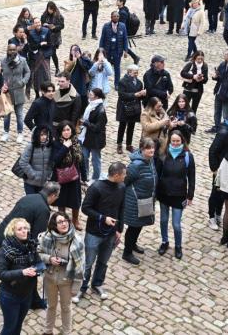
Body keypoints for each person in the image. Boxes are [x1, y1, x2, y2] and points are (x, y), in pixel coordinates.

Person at [74, 162, 126, 302]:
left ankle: (97, 284)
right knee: (88, 262)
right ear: (116, 175)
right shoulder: (96, 188)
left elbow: (121, 209)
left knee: (103, 261)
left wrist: (119, 230)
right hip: (94, 233)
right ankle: (81, 287)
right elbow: (86, 208)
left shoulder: (122, 187)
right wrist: (103, 218)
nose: (125, 177)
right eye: (123, 174)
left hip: (111, 233)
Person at [37, 211, 84, 335]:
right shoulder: (46, 237)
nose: (64, 224)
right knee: (51, 306)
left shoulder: (77, 241)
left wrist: (75, 288)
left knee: (66, 308)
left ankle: (66, 332)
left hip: (66, 281)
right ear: (54, 225)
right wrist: (49, 259)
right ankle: (48, 331)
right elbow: (38, 254)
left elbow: (80, 267)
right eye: (60, 222)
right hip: (50, 278)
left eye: (65, 221)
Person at [0, 218, 42, 335]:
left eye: (25, 228)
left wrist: (39, 269)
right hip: (10, 296)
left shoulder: (31, 244)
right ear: (13, 232)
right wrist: (22, 272)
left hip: (27, 294)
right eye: (19, 229)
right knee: (10, 328)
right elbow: (1, 274)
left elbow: (38, 262)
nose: (23, 231)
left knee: (18, 325)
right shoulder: (5, 251)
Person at [156, 131, 195, 259]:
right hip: (164, 193)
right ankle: (164, 241)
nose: (175, 143)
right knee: (163, 220)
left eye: (177, 141)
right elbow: (157, 174)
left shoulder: (188, 156)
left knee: (176, 224)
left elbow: (191, 177)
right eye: (173, 141)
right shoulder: (163, 155)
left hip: (179, 195)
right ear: (169, 141)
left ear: (182, 141)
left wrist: (190, 195)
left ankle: (178, 246)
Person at [0, 181, 61, 248]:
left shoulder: (28, 197)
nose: (56, 199)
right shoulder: (43, 210)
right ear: (53, 195)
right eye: (57, 196)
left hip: (3, 234)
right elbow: (38, 235)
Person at [122, 138, 157, 265]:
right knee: (133, 227)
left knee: (139, 225)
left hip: (146, 199)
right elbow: (124, 182)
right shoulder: (135, 166)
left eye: (153, 147)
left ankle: (133, 244)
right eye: (148, 148)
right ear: (142, 149)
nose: (152, 150)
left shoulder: (150, 160)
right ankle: (127, 252)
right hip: (135, 201)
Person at [52, 121, 84, 228]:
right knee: (62, 200)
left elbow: (82, 159)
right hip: (62, 176)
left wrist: (84, 175)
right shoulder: (56, 143)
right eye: (64, 130)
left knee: (76, 200)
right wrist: (65, 147)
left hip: (75, 176)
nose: (66, 132)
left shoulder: (77, 142)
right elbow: (55, 160)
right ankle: (63, 220)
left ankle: (75, 220)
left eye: (68, 129)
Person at [1, 44, 30, 144]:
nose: (12, 51)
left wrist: (23, 82)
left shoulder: (22, 60)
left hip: (18, 91)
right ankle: (5, 132)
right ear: (7, 50)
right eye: (10, 50)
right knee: (7, 115)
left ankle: (20, 133)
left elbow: (28, 72)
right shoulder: (2, 61)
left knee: (19, 114)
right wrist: (2, 84)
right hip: (7, 92)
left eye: (14, 49)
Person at [79, 88, 107, 183]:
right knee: (84, 157)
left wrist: (85, 123)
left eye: (91, 94)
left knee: (95, 160)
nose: (89, 95)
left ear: (96, 97)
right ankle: (85, 175)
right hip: (86, 136)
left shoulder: (101, 110)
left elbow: (98, 128)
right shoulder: (91, 104)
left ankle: (96, 178)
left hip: (96, 139)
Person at [17, 125, 54, 195]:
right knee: (31, 203)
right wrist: (33, 175)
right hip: (30, 183)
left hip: (43, 183)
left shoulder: (50, 147)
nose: (44, 137)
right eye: (41, 135)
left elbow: (51, 162)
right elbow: (23, 162)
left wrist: (48, 175)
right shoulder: (31, 146)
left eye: (45, 134)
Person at [116, 64, 144, 154]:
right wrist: (134, 95)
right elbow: (121, 95)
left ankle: (129, 144)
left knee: (131, 126)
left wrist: (142, 94)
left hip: (134, 107)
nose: (136, 74)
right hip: (125, 106)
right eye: (134, 73)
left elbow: (140, 96)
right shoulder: (123, 81)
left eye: (137, 73)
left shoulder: (139, 83)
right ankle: (119, 144)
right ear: (129, 72)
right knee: (122, 126)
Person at [98, 12, 127, 89]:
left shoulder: (122, 26)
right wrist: (100, 50)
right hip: (107, 51)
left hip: (118, 51)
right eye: (114, 16)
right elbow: (102, 38)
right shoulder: (106, 26)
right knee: (105, 67)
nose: (116, 17)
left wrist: (126, 50)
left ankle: (117, 84)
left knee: (117, 68)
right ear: (111, 17)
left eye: (117, 16)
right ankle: (103, 82)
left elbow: (125, 39)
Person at [28, 18, 53, 98]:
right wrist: (40, 44)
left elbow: (50, 43)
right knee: (36, 76)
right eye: (36, 23)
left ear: (41, 23)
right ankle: (37, 94)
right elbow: (32, 47)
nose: (38, 24)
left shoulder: (47, 31)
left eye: (39, 22)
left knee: (46, 75)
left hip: (45, 56)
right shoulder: (31, 34)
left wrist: (44, 44)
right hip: (36, 57)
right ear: (33, 24)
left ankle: (45, 92)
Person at [63, 44, 92, 108]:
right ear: (70, 52)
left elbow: (86, 68)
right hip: (72, 84)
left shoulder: (83, 60)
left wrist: (79, 58)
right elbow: (66, 72)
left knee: (82, 104)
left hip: (81, 85)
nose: (74, 51)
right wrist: (74, 61)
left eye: (76, 50)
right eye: (73, 50)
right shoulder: (68, 61)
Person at [40, 1, 65, 75]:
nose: (50, 11)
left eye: (51, 9)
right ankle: (46, 68)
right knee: (46, 53)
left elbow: (61, 26)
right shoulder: (44, 15)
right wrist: (44, 25)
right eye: (49, 9)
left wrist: (54, 27)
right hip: (46, 37)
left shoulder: (59, 16)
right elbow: (41, 24)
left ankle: (57, 68)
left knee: (53, 53)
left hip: (54, 38)